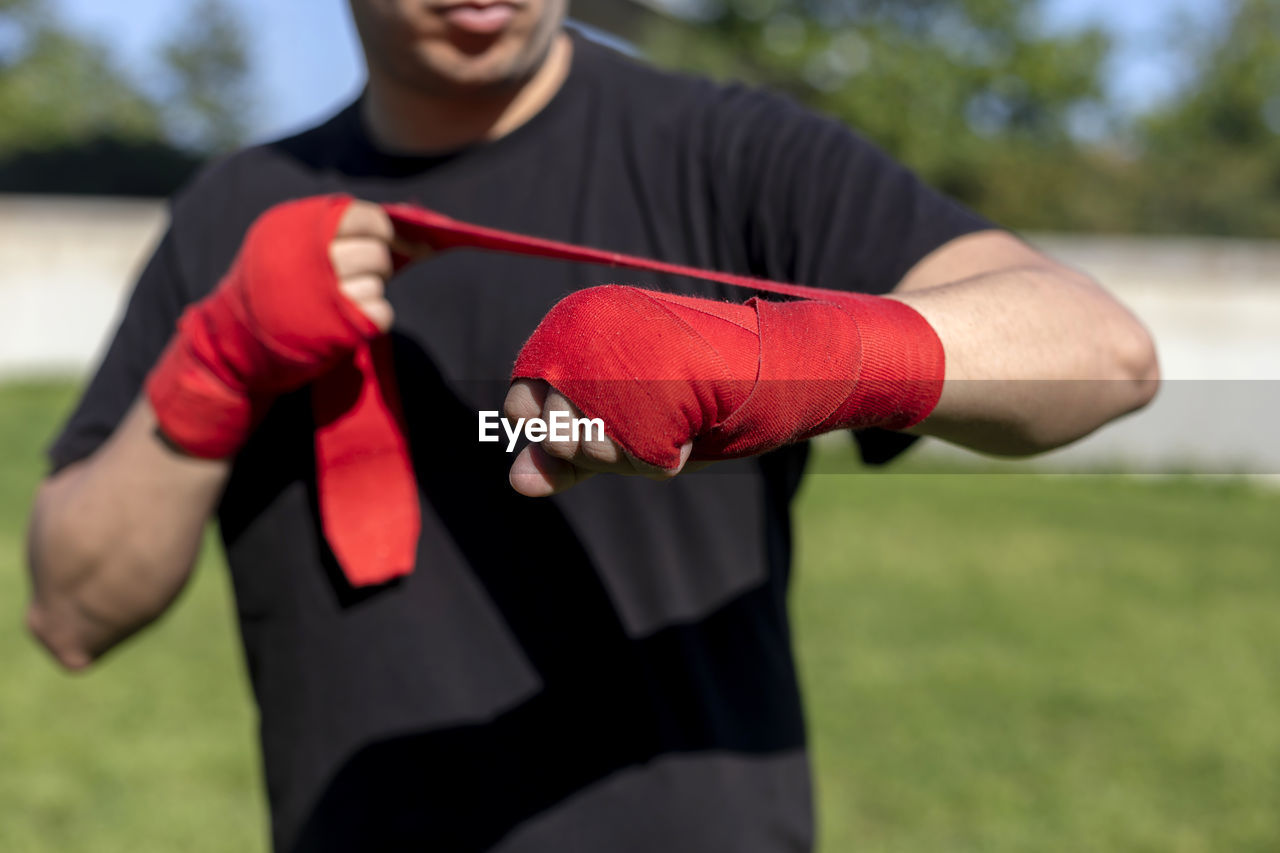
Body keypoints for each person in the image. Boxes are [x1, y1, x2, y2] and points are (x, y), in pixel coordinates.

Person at [24, 1, 1159, 851]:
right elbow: (73, 608)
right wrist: (213, 366)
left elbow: (1100, 354)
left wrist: (783, 356)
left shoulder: (726, 153)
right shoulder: (232, 211)